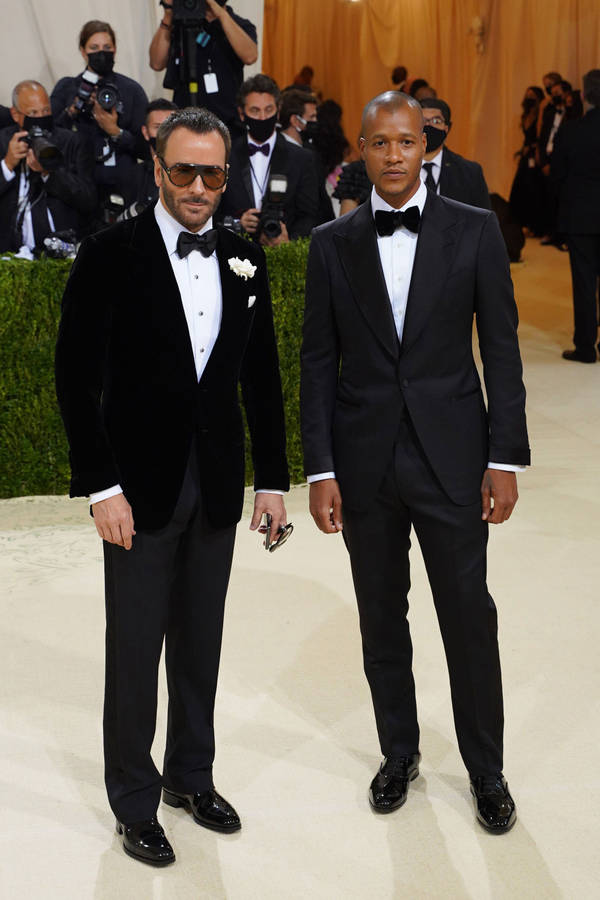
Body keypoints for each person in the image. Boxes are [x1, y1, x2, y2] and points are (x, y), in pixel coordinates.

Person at [55, 106, 289, 865]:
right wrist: (101, 486)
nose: (197, 186)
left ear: (226, 176)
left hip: (216, 484)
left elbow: (261, 378)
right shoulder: (108, 253)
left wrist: (272, 481)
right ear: (157, 169)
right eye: (183, 170)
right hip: (137, 490)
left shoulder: (246, 258)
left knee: (201, 643)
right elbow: (74, 379)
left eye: (211, 173)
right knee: (134, 650)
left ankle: (192, 776)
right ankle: (135, 799)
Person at [300, 91, 529, 834]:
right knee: (380, 617)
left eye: (407, 141)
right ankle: (398, 752)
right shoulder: (332, 243)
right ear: (362, 151)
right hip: (363, 461)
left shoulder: (474, 228)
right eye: (380, 142)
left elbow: (501, 349)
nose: (395, 154)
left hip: (453, 458)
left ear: (425, 147)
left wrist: (505, 456)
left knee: (468, 617)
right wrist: (321, 469)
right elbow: (317, 361)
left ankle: (486, 769)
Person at [51, 20, 148, 220]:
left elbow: (147, 148)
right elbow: (51, 136)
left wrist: (116, 132)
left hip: (125, 185)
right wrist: (73, 110)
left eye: (107, 47)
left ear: (115, 49)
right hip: (81, 187)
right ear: (83, 51)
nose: (101, 53)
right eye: (94, 48)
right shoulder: (68, 88)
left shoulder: (131, 90)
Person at [215, 74, 319, 245]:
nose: (263, 117)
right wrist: (237, 223)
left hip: (283, 254)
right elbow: (212, 209)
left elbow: (309, 215)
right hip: (235, 250)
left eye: (269, 110)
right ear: (242, 114)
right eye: (255, 111)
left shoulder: (301, 159)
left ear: (278, 111)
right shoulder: (225, 155)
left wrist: (288, 242)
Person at [0, 80, 96, 254]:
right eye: (33, 113)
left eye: (46, 111)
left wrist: (49, 172)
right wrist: (7, 164)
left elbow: (88, 199)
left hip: (62, 250)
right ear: (15, 114)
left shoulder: (71, 142)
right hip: (10, 253)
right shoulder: (3, 142)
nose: (40, 117)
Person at [149, 0, 257, 132]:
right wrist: (168, 14)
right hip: (184, 120)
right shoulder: (182, 22)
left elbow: (250, 56)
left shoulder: (238, 24)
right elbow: (156, 63)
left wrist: (221, 14)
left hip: (227, 121)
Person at [552, 69, 600, 363]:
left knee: (584, 283)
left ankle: (585, 346)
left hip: (581, 217)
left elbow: (557, 177)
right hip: (583, 214)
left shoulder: (571, 131)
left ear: (583, 95)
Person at [420, 98, 491, 209]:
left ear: (446, 128)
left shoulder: (469, 173)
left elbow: (483, 217)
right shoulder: (398, 168)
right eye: (423, 121)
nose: (428, 126)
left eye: (436, 121)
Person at [279, 89, 334, 224]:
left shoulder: (311, 150)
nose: (316, 121)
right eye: (312, 117)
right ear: (295, 120)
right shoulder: (278, 151)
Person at [121, 98, 178, 219]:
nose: (164, 134)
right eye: (158, 127)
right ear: (145, 132)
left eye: (170, 127)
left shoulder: (194, 174)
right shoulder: (132, 176)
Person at [538, 79, 571, 247]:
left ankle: (563, 235)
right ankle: (550, 232)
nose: (554, 95)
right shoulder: (549, 113)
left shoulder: (572, 115)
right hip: (548, 159)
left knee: (563, 200)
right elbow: (543, 137)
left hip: (562, 162)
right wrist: (543, 161)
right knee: (548, 199)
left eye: (558, 93)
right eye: (553, 93)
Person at [509, 86, 546, 236]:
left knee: (534, 189)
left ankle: (534, 225)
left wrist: (532, 148)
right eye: (527, 95)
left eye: (532, 95)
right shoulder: (525, 115)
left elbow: (539, 136)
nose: (529, 98)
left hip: (535, 156)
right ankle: (520, 224)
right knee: (520, 188)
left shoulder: (541, 115)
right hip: (526, 157)